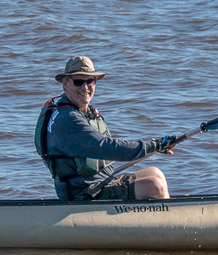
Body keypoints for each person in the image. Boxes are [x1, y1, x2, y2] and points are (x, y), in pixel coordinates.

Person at [35, 56, 178, 201]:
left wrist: (157, 146)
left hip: (99, 183)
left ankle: (161, 213)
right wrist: (154, 145)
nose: (85, 87)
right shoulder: (69, 119)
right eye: (78, 82)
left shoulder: (78, 110)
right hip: (84, 192)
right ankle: (170, 215)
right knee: (155, 186)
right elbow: (107, 147)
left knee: (155, 173)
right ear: (66, 84)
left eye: (90, 81)